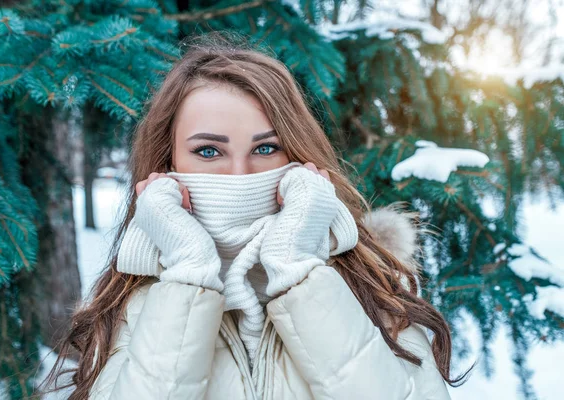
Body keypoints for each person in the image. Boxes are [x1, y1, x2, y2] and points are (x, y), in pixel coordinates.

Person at [41, 32, 470, 399]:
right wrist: (190, 272)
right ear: (167, 167)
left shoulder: (372, 294)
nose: (239, 175)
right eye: (208, 151)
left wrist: (296, 269)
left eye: (266, 148)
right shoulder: (130, 310)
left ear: (302, 161)